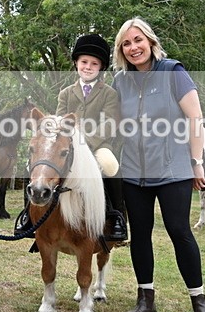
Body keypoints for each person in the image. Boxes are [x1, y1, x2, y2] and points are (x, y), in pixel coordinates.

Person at [111, 17, 205, 312]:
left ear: (150, 41)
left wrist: (196, 162)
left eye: (138, 40)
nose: (133, 48)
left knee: (179, 230)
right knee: (140, 234)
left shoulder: (174, 72)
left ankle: (200, 303)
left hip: (173, 169)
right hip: (133, 171)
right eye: (126, 44)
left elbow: (195, 118)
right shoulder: (120, 81)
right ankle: (146, 298)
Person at [13, 34, 127, 242]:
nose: (88, 67)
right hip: (67, 146)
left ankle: (116, 216)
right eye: (84, 62)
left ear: (100, 67)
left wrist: (86, 141)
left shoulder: (108, 93)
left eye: (94, 63)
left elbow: (110, 123)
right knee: (34, 163)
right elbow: (58, 121)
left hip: (97, 144)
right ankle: (28, 216)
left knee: (109, 165)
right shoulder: (66, 93)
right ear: (76, 63)